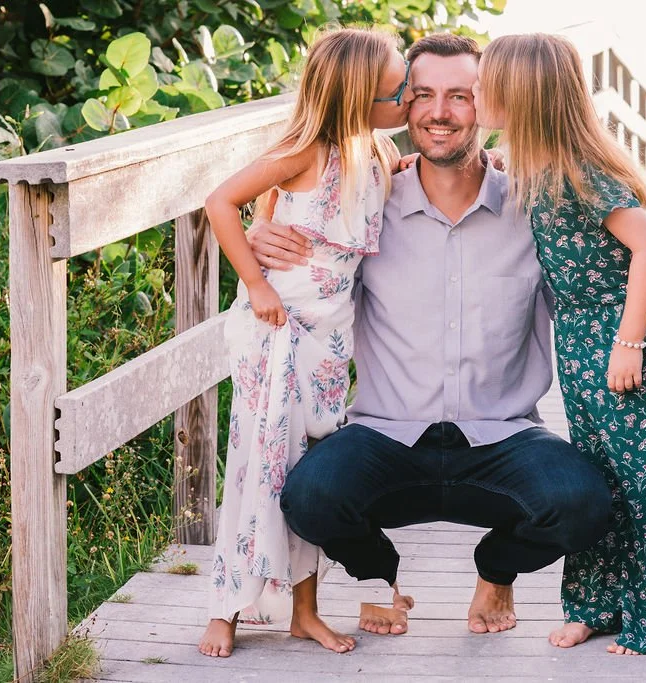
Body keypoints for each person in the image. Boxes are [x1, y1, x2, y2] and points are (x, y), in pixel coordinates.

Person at [248, 32, 646, 640]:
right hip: (386, 435)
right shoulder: (367, 205)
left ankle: (497, 569)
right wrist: (259, 232)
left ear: (490, 101)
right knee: (310, 498)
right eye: (423, 95)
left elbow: (613, 263)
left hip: (503, 437)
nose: (440, 113)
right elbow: (296, 214)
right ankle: (380, 578)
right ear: (402, 104)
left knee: (586, 503)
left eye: (460, 95)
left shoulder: (536, 205)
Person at [474, 33, 646, 655]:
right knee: (602, 473)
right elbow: (493, 164)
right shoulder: (532, 163)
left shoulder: (579, 170)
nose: (475, 92)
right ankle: (597, 605)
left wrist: (629, 343)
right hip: (580, 337)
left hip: (619, 335)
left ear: (521, 93)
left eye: (483, 83)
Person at [198, 27, 413, 658]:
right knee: (259, 463)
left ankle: (304, 611)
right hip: (277, 329)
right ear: (357, 98)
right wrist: (255, 280)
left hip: (328, 341)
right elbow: (220, 202)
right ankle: (225, 608)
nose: (407, 98)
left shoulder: (377, 154)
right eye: (397, 91)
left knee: (306, 473)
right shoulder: (304, 151)